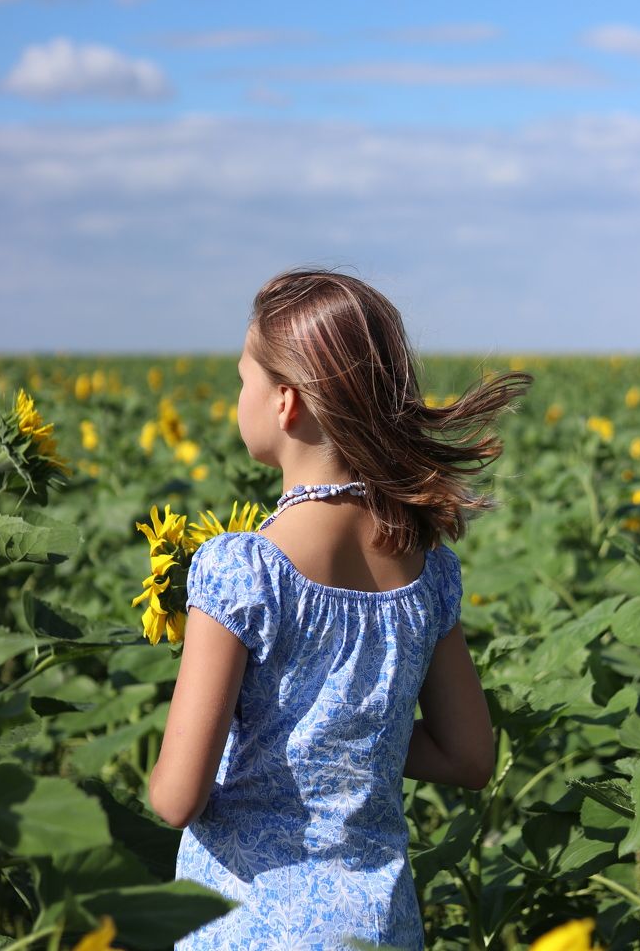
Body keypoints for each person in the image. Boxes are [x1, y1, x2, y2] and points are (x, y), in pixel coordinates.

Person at [149, 269, 534, 950]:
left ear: (286, 402)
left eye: (243, 379)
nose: (238, 396)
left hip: (247, 928)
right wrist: (349, 743)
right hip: (376, 927)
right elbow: (470, 757)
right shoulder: (427, 569)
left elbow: (178, 798)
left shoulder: (241, 571)